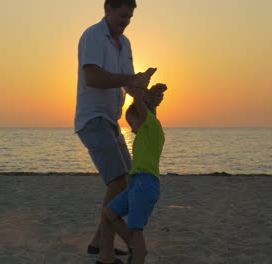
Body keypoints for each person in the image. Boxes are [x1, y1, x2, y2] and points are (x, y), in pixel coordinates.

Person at [75, 0, 163, 257]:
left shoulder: (125, 44)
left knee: (129, 180)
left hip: (111, 120)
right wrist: (129, 79)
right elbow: (92, 77)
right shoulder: (93, 35)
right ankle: (105, 252)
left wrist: (147, 95)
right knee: (118, 180)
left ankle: (97, 242)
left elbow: (130, 87)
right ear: (108, 10)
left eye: (130, 17)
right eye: (122, 15)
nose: (126, 21)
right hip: (92, 118)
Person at [96, 83, 167, 264]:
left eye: (132, 123)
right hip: (136, 183)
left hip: (145, 183)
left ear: (142, 119)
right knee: (110, 213)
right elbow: (145, 110)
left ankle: (138, 254)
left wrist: (138, 90)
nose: (132, 130)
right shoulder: (147, 130)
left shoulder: (151, 127)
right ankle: (136, 248)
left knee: (137, 230)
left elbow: (143, 109)